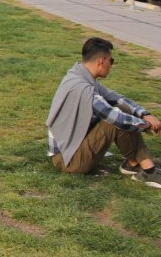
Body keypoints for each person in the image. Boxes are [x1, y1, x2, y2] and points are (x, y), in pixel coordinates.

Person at [47, 37, 161, 187]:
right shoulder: (83, 88)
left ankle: (133, 164)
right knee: (115, 119)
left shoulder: (79, 75)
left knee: (120, 110)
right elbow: (114, 117)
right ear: (102, 61)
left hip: (68, 151)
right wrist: (147, 125)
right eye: (111, 61)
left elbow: (117, 99)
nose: (111, 65)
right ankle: (148, 171)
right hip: (68, 161)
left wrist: (144, 114)